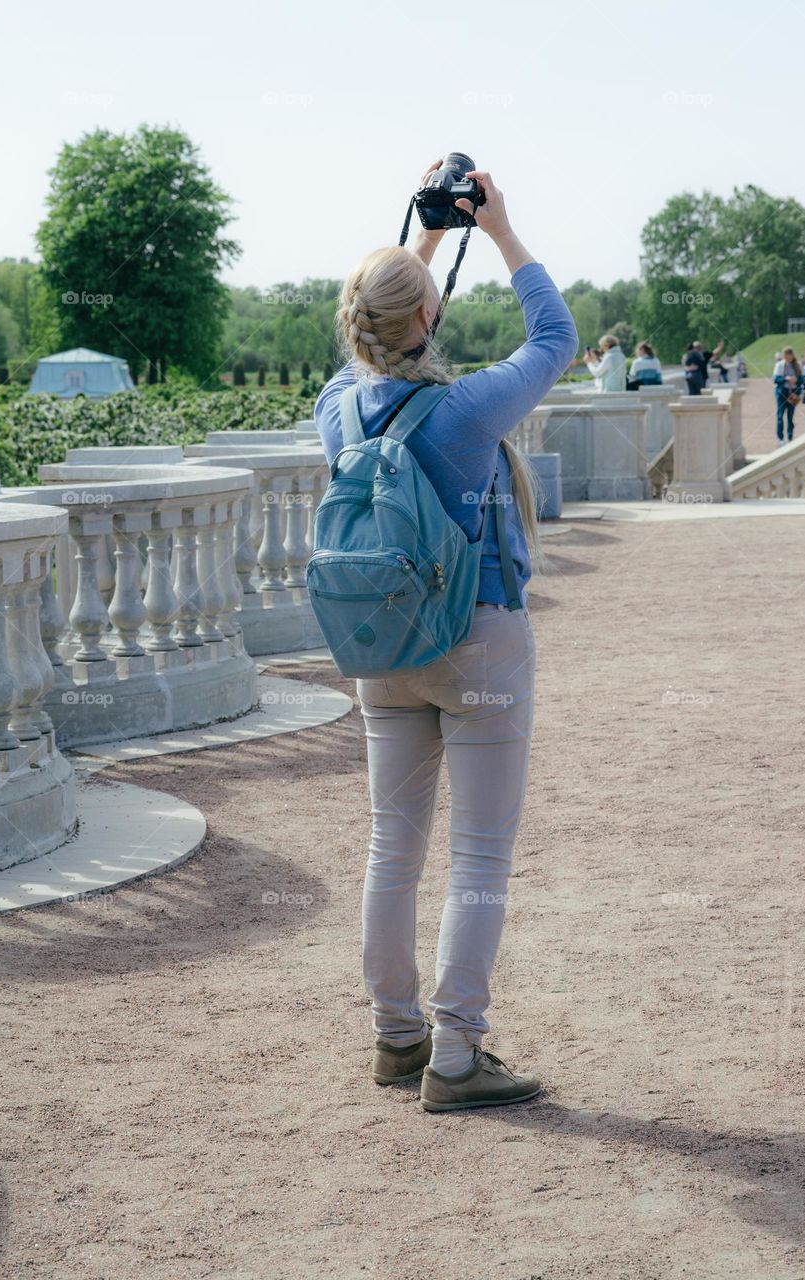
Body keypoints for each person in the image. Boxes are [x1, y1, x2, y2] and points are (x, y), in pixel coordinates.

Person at [314, 160, 578, 1112]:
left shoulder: (337, 409)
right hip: (477, 641)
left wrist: (419, 238)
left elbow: (371, 338)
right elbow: (555, 334)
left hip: (383, 652)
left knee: (392, 847)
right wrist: (498, 229)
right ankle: (457, 1056)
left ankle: (396, 1039)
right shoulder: (467, 411)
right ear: (428, 316)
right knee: (479, 857)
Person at [773, 346, 803, 444]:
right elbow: (776, 379)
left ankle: (790, 436)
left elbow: (802, 380)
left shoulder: (797, 365)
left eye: (788, 356)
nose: (787, 358)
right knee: (780, 416)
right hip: (782, 393)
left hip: (793, 393)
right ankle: (780, 438)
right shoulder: (780, 365)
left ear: (792, 355)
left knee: (790, 416)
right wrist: (786, 379)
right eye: (785, 356)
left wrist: (796, 380)